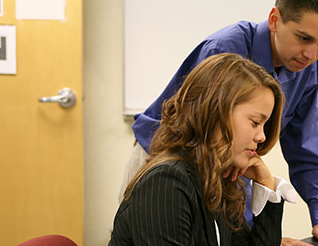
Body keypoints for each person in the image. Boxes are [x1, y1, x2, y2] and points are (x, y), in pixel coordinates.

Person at [125, 0, 318, 245]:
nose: (312, 54)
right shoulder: (224, 49)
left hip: (223, 169)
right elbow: (193, 135)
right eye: (304, 38)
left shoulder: (305, 65)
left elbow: (305, 142)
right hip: (169, 160)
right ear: (274, 20)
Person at [110, 53, 297, 245]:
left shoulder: (216, 181)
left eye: (264, 126)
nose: (262, 137)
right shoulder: (166, 182)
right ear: (216, 112)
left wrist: (265, 183)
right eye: (255, 122)